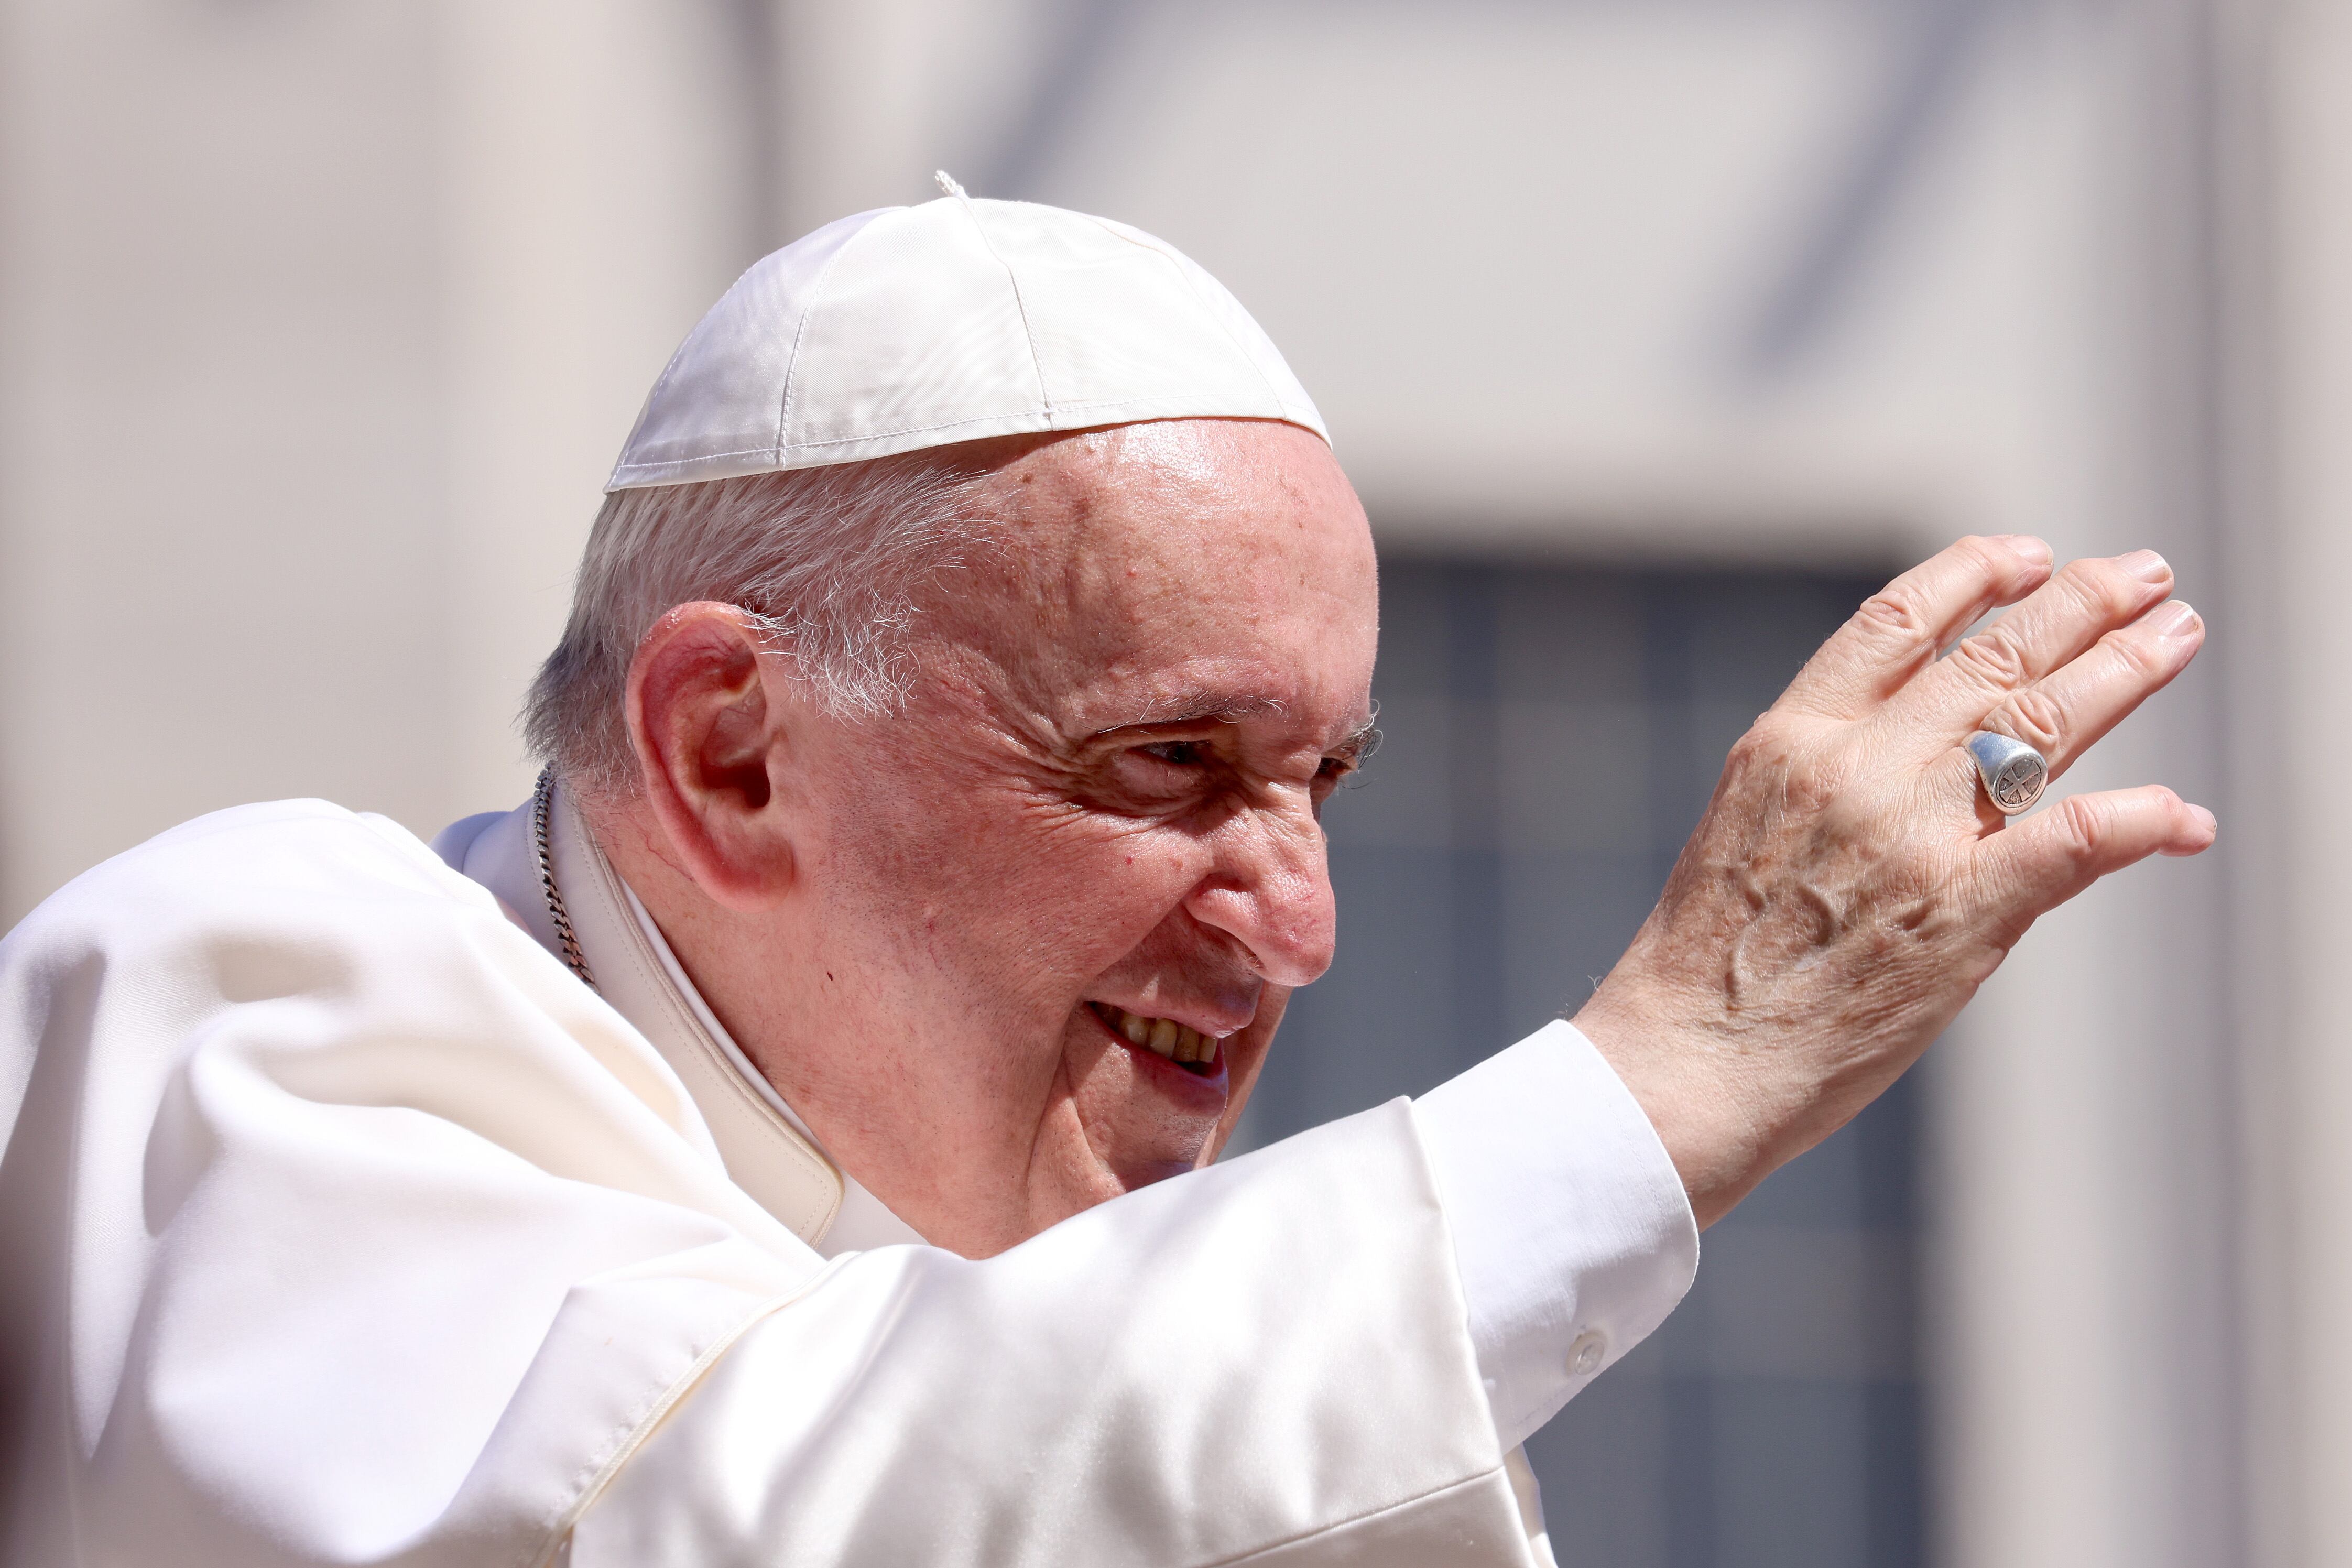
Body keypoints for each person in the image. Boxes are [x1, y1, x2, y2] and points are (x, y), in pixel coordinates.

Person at [0, 184, 2213, 1568]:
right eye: (1173, 762)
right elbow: (722, 1520)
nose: (1298, 922)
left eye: (1325, 781)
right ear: (730, 751)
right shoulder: (250, 1016)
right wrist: (1655, 1083)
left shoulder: (1117, 1364)